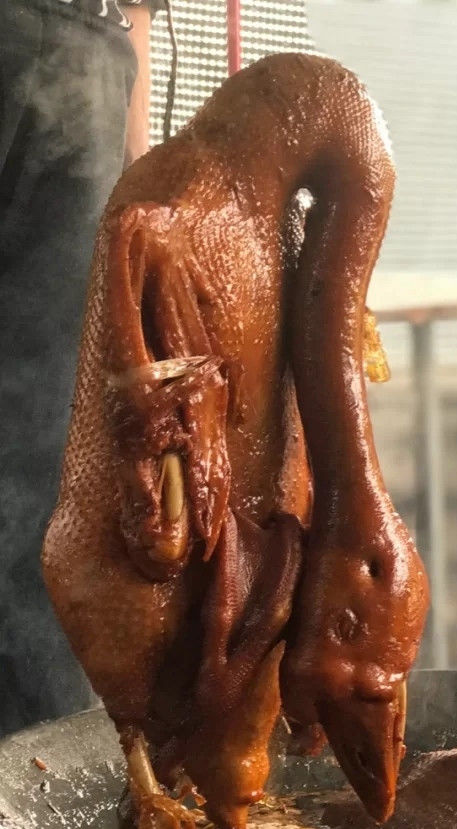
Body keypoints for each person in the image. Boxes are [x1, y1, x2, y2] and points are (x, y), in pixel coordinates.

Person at [0, 0, 163, 735]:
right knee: (42, 473)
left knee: (46, 469)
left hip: (84, 47)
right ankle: (30, 785)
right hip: (79, 39)